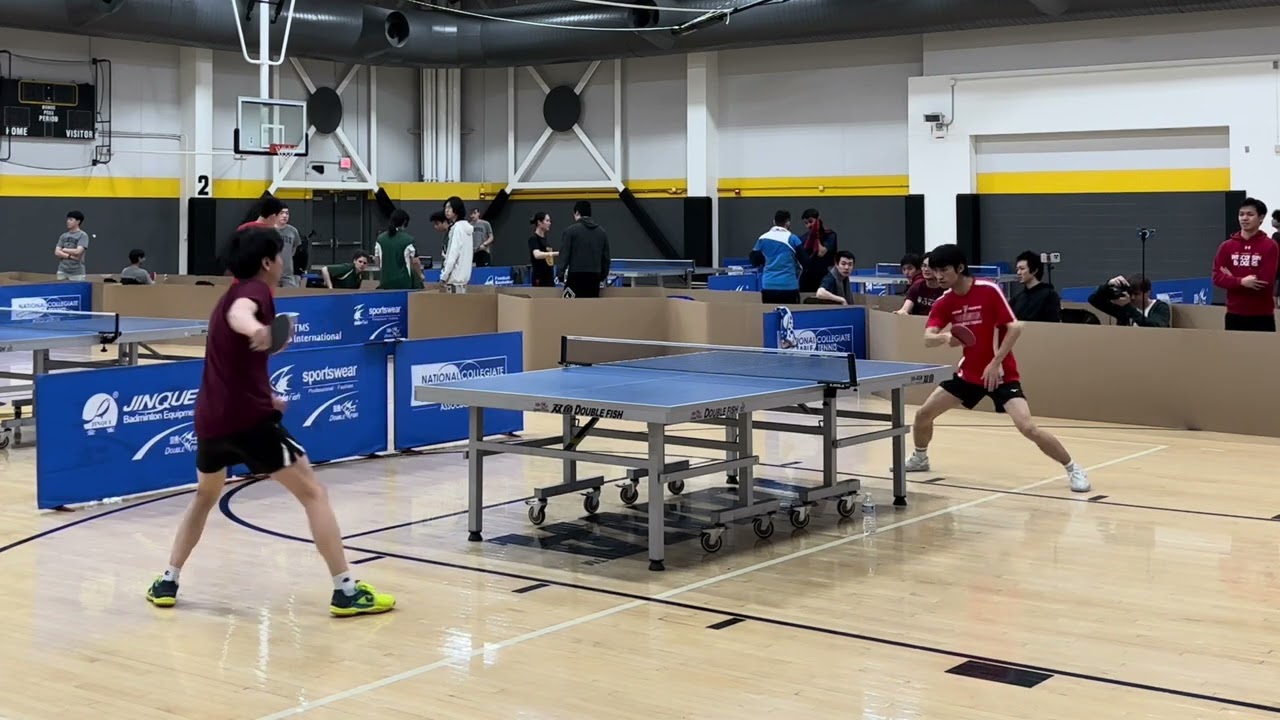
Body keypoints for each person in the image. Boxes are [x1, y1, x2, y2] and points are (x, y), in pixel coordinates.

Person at [145, 225, 396, 617]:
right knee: (313, 493)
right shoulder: (253, 292)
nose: (284, 261)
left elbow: (236, 361)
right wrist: (257, 328)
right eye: (280, 255)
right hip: (248, 423)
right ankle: (345, 590)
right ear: (267, 262)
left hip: (212, 420)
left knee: (205, 495)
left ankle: (168, 579)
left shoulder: (231, 291)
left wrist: (269, 396)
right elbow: (239, 315)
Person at [906, 243, 1091, 493]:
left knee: (1028, 427)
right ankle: (920, 457)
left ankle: (1073, 468)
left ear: (960, 268)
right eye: (935, 270)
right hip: (969, 374)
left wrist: (995, 363)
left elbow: (1014, 327)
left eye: (944, 270)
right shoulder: (944, 301)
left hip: (1001, 375)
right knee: (922, 415)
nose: (938, 276)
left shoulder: (988, 290)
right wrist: (947, 338)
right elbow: (928, 338)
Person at [1212, 197, 1278, 332]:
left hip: (1262, 314)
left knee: (1262, 352)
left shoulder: (1270, 246)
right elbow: (1217, 277)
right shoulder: (1227, 246)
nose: (1244, 218)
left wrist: (1231, 279)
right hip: (1234, 313)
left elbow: (1265, 281)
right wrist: (1241, 281)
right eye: (1241, 214)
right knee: (1233, 352)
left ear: (1261, 218)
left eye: (1250, 214)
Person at [556, 200, 611, 298]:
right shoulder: (602, 232)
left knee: (571, 308)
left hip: (575, 276)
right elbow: (606, 258)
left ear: (577, 213)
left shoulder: (570, 231)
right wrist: (602, 276)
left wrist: (560, 274)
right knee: (591, 308)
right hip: (594, 277)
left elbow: (564, 255)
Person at [749, 210, 804, 304]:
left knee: (770, 316)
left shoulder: (762, 238)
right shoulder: (793, 238)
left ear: (774, 222)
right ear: (788, 222)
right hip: (789, 286)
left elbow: (754, 260)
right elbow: (805, 260)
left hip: (768, 286)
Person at [1087, 274, 1171, 328]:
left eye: (1136, 294)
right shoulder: (1123, 308)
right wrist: (1108, 284)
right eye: (1130, 294)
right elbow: (1094, 300)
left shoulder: (1160, 307)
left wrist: (1128, 307)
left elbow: (1156, 327)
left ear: (1147, 293)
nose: (1132, 298)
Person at [375, 209, 424, 291]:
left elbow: (377, 259)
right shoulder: (408, 239)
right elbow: (415, 262)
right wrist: (420, 275)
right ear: (404, 222)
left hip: (385, 281)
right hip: (403, 282)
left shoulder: (380, 239)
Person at [1010, 251, 1061, 322]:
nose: (1018, 273)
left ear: (1034, 270)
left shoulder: (1049, 295)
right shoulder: (1016, 298)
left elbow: (1052, 324)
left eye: (1022, 269)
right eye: (1017, 269)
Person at [798, 208, 837, 293]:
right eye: (806, 223)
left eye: (811, 221)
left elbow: (821, 252)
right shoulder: (802, 239)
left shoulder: (830, 235)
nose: (808, 225)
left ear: (818, 220)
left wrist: (816, 236)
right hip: (807, 279)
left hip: (824, 278)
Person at [440, 197, 474, 293]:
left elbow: (453, 254)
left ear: (457, 209)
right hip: (464, 279)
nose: (446, 210)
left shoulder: (457, 228)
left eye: (450, 207)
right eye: (446, 208)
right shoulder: (467, 229)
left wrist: (444, 277)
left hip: (454, 280)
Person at [55, 210, 89, 280]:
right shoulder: (63, 236)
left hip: (77, 272)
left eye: (71, 220)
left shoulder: (83, 235)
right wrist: (70, 256)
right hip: (62, 270)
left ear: (78, 221)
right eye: (67, 219)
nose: (68, 221)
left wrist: (64, 249)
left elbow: (78, 251)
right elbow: (57, 252)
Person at [527, 211, 557, 287]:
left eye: (549, 221)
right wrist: (554, 253)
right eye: (547, 221)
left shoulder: (545, 239)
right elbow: (537, 255)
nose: (549, 223)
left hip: (549, 277)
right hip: (540, 278)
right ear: (539, 222)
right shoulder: (533, 239)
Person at [276, 204, 302, 288]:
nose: (285, 216)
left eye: (287, 213)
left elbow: (294, 248)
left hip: (288, 274)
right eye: (282, 213)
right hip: (272, 273)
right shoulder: (269, 230)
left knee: (290, 296)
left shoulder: (293, 231)